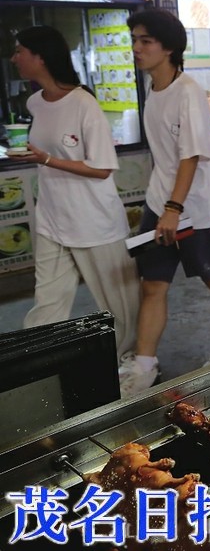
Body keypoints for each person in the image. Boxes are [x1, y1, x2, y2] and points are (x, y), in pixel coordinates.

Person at [119, 9, 210, 397]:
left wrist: (173, 210)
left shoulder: (186, 90)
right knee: (153, 284)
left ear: (169, 47)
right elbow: (181, 140)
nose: (136, 48)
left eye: (146, 41)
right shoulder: (154, 87)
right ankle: (144, 366)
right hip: (161, 201)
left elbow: (189, 157)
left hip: (194, 210)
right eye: (134, 40)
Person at [10, 26, 139, 359]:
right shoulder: (35, 102)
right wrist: (35, 155)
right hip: (52, 217)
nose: (14, 58)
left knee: (119, 303)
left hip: (93, 219)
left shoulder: (84, 103)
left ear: (40, 57)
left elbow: (102, 168)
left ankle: (131, 360)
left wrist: (46, 159)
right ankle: (37, 362)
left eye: (19, 51)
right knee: (48, 300)